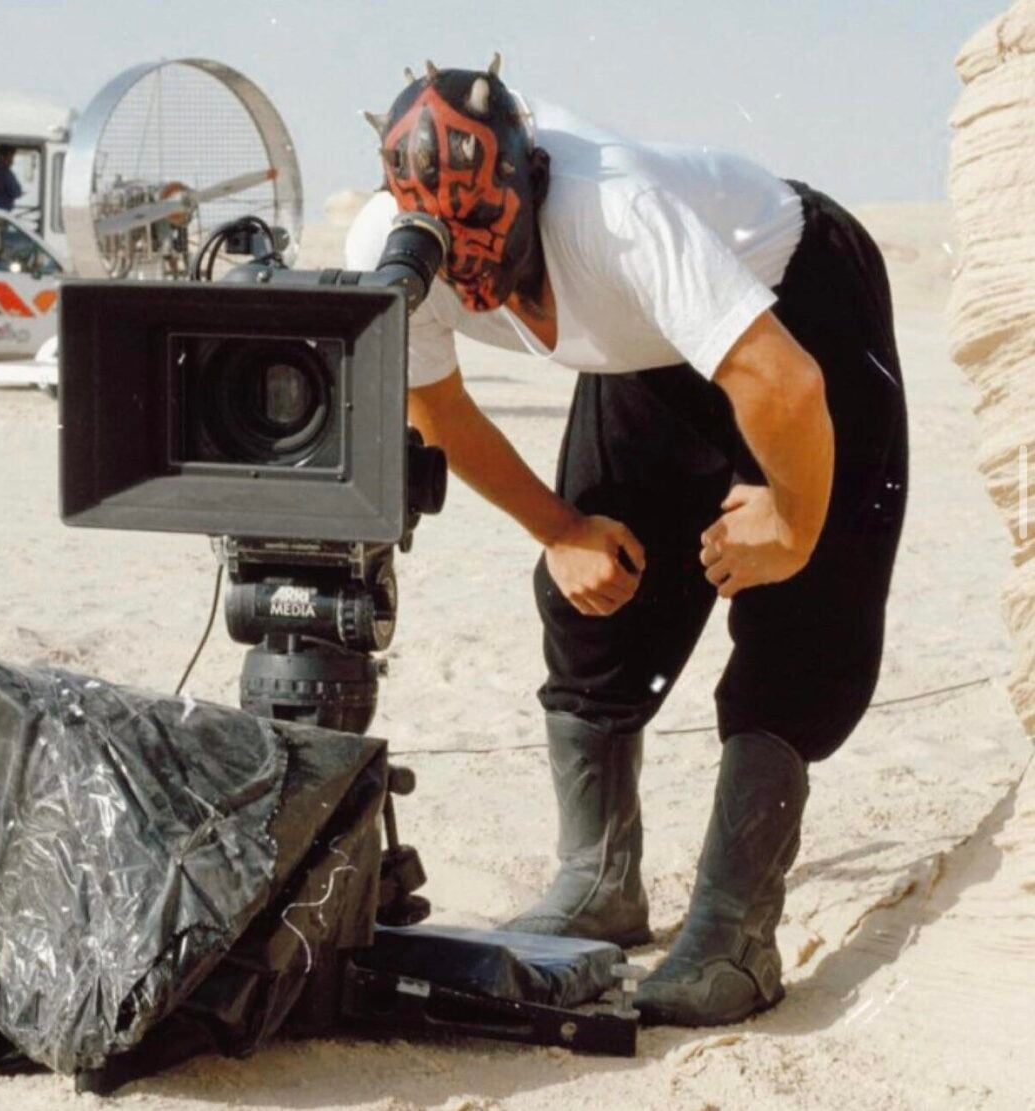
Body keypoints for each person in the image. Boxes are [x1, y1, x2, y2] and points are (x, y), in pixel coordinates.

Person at [346, 57, 907, 1027]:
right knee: (593, 585)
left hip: (793, 300)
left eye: (488, 229)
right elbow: (433, 400)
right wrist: (559, 529)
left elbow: (786, 383)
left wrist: (793, 519)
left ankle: (734, 926)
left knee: (798, 601)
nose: (470, 262)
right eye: (447, 236)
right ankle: (601, 877)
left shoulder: (612, 213)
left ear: (531, 182)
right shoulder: (396, 250)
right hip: (644, 342)